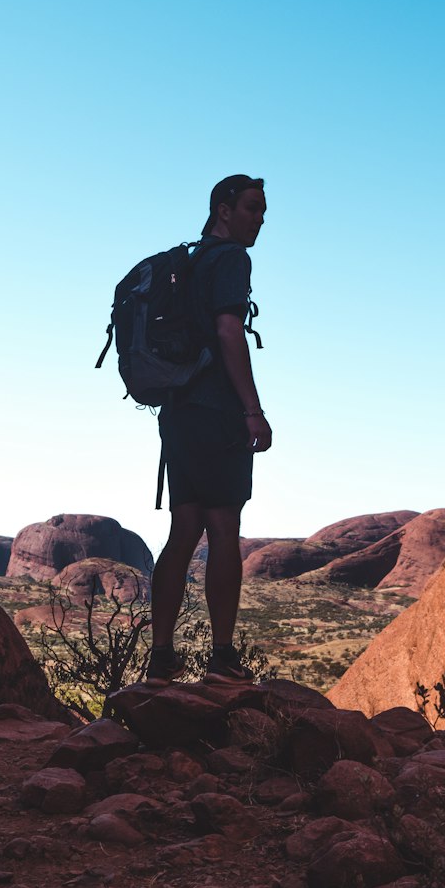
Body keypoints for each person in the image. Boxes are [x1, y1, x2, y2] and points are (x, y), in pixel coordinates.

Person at [147, 174, 272, 684]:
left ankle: (161, 657)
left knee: (184, 529)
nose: (258, 219)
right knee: (223, 530)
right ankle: (222, 657)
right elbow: (228, 331)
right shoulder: (230, 260)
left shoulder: (191, 262)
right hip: (216, 412)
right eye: (251, 208)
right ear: (224, 209)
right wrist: (252, 409)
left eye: (262, 211)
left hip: (177, 412)